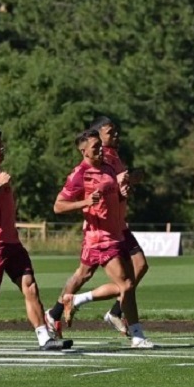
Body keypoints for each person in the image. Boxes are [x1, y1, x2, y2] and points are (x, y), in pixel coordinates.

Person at [48, 127, 154, 349]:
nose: (100, 150)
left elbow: (113, 194)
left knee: (84, 274)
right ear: (83, 151)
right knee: (126, 284)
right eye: (95, 147)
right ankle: (137, 336)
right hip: (100, 238)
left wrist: (122, 192)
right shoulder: (79, 174)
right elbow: (58, 206)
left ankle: (66, 304)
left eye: (100, 146)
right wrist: (84, 203)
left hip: (114, 234)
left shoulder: (107, 168)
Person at [0, 128, 70, 351]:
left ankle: (45, 339)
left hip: (12, 242)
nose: (2, 147)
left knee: (30, 287)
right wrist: (0, 185)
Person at [90, 116, 151, 338]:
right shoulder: (101, 157)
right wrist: (125, 182)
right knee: (87, 275)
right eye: (111, 133)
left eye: (116, 132)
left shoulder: (114, 155)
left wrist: (131, 181)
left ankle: (116, 312)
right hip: (108, 227)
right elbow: (104, 187)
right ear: (98, 137)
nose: (116, 136)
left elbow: (118, 188)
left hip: (120, 224)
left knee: (140, 267)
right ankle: (61, 309)